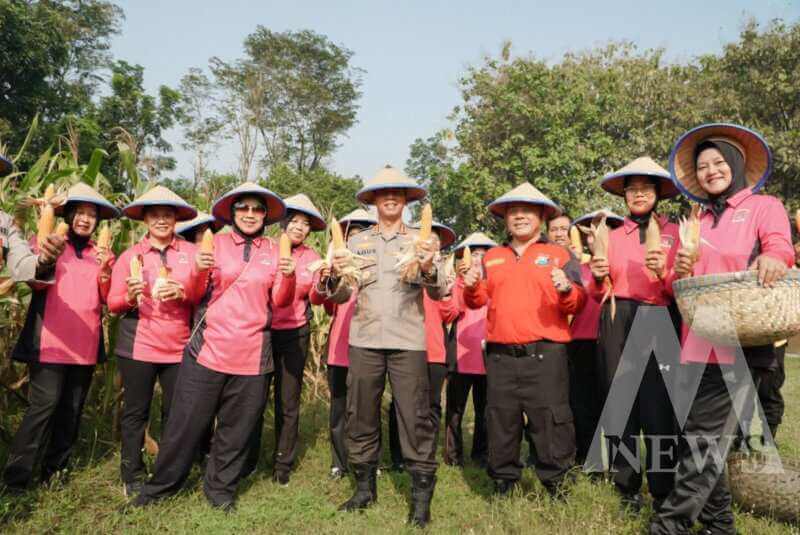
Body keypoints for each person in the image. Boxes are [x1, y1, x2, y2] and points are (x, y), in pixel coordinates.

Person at [650, 124, 793, 535]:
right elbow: (674, 288)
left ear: (735, 165)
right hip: (695, 344)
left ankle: (668, 527)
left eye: (718, 163)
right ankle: (719, 525)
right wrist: (669, 271)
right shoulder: (695, 221)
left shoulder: (763, 206)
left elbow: (779, 245)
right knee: (704, 443)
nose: (711, 171)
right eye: (702, 166)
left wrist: (775, 258)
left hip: (742, 344)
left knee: (701, 444)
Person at [132, 182, 295, 511]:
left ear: (266, 215)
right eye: (243, 208)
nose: (250, 214)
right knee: (185, 424)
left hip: (253, 353)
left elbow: (280, 301)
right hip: (208, 348)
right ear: (232, 213)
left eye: (257, 209)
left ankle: (220, 491)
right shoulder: (214, 244)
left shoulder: (275, 249)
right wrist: (198, 270)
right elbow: (192, 294)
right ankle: (161, 487)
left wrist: (288, 276)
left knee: (237, 430)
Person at [326, 165, 445, 527]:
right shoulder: (358, 242)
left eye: (397, 192)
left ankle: (421, 500)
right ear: (374, 200)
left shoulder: (423, 241)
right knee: (360, 415)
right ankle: (364, 489)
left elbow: (440, 289)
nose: (390, 197)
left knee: (415, 418)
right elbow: (344, 291)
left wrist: (427, 265)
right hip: (364, 340)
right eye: (383, 192)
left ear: (407, 200)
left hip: (408, 342)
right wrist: (334, 274)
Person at [462, 182, 585, 497]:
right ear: (505, 219)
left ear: (541, 217)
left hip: (546, 353)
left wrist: (566, 289)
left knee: (550, 418)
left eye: (526, 211)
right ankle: (504, 480)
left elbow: (578, 301)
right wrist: (472, 285)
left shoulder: (559, 255)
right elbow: (476, 301)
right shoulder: (492, 257)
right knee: (501, 418)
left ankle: (556, 482)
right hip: (501, 354)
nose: (519, 217)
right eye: (513, 212)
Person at [2, 183, 117, 490]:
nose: (85, 219)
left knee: (71, 412)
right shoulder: (46, 240)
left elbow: (107, 298)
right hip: (49, 343)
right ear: (67, 214)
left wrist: (106, 270)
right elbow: (36, 283)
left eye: (92, 214)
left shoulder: (100, 253)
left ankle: (55, 473)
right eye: (79, 212)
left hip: (86, 344)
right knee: (43, 408)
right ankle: (16, 478)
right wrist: (47, 257)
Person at [590, 157, 682, 512]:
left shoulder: (675, 233)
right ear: (624, 195)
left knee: (660, 406)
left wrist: (667, 273)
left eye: (646, 189)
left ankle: (662, 488)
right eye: (632, 189)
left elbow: (684, 284)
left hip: (661, 314)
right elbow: (596, 289)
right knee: (620, 402)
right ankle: (626, 485)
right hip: (619, 317)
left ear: (658, 193)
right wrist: (598, 276)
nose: (639, 195)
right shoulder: (611, 236)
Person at [108, 186, 206, 497]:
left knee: (177, 412)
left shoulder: (191, 254)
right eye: (155, 215)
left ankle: (168, 471)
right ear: (145, 219)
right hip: (138, 345)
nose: (161, 220)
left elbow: (203, 294)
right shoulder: (130, 256)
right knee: (136, 411)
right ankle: (132, 473)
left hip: (179, 346)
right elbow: (112, 304)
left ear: (176, 219)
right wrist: (130, 296)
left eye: (168, 215)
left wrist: (184, 293)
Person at [243, 193, 324, 484]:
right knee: (254, 397)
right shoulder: (265, 249)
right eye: (294, 221)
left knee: (287, 402)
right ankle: (247, 460)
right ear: (282, 223)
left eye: (305, 224)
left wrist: (326, 281)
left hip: (294, 334)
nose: (300, 228)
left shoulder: (313, 258)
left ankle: (282, 465)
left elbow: (315, 296)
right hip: (261, 331)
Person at [310, 209, 376, 480]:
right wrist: (329, 275)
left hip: (370, 348)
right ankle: (339, 461)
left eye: (363, 238)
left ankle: (367, 460)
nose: (356, 244)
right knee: (339, 409)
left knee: (367, 409)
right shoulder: (334, 269)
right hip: (340, 350)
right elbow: (318, 299)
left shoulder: (374, 270)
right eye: (352, 238)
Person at [387, 221, 458, 472]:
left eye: (437, 241)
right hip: (405, 346)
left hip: (434, 349)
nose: (432, 243)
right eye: (428, 238)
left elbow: (450, 315)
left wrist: (448, 291)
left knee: (430, 405)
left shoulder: (444, 274)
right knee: (401, 402)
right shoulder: (403, 266)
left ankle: (425, 453)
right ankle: (398, 457)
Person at [566, 209, 623, 468]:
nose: (596, 238)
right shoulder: (577, 269)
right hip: (581, 342)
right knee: (583, 404)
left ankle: (618, 461)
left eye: (604, 231)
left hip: (616, 342)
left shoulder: (625, 267)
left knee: (614, 403)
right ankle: (588, 460)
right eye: (590, 233)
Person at [443, 232, 497, 468]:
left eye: (484, 255)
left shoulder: (495, 284)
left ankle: (481, 454)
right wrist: (462, 283)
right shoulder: (455, 283)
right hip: (460, 352)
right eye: (474, 254)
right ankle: (453, 455)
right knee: (455, 407)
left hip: (488, 352)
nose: (478, 259)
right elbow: (451, 312)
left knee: (485, 408)